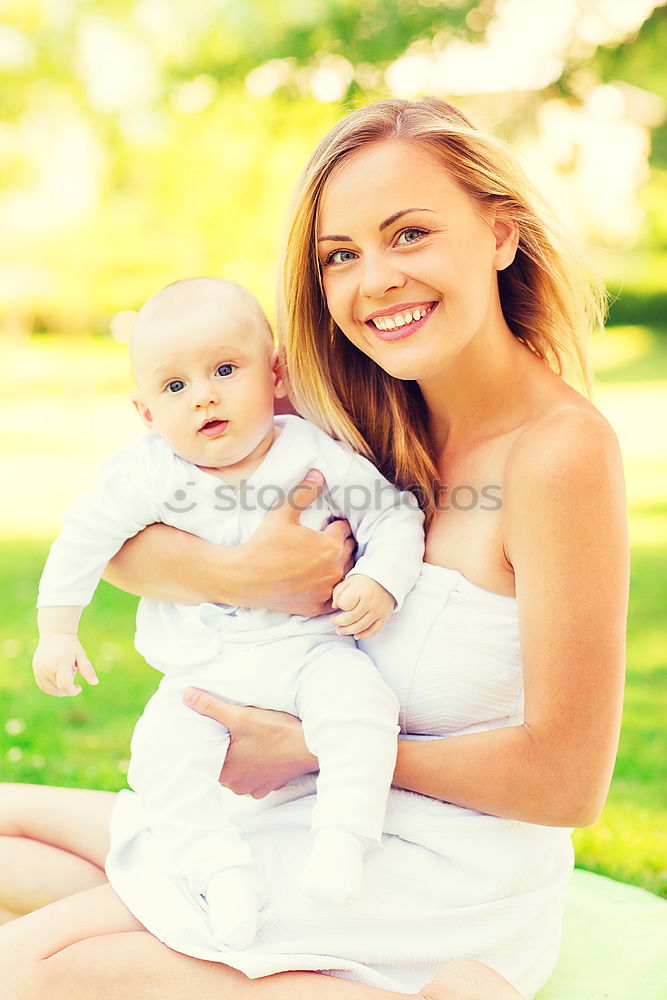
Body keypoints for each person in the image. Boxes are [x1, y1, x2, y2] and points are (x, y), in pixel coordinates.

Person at [0, 97, 628, 1000]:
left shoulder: (557, 455)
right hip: (297, 811)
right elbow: (119, 540)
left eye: (409, 235)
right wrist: (236, 573)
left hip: (440, 863)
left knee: (30, 970)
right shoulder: (343, 412)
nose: (374, 282)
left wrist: (310, 748)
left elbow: (567, 783)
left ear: (500, 234)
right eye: (341, 255)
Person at [32, 276, 423, 949]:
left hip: (310, 651)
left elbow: (393, 513)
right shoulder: (147, 472)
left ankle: (342, 837)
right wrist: (56, 629)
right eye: (174, 386)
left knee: (360, 708)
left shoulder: (309, 453)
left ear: (272, 375)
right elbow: (84, 536)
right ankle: (219, 872)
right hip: (201, 675)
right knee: (160, 765)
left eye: (224, 369)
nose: (204, 394)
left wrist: (380, 581)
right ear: (147, 412)